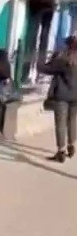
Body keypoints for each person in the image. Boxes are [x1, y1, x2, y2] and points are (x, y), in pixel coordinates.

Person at [38, 34, 77, 162]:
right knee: (72, 121)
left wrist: (41, 61)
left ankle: (61, 151)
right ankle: (72, 145)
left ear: (68, 45)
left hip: (62, 95)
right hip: (76, 97)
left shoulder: (63, 58)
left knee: (61, 123)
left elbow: (46, 69)